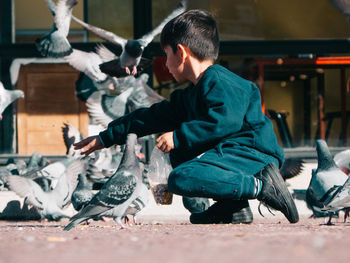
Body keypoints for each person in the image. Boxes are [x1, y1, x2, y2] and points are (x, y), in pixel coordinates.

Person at [74, 9, 299, 224]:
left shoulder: (220, 81)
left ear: (181, 53)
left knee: (181, 177)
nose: (165, 63)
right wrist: (105, 138)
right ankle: (233, 208)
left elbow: (224, 121)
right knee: (185, 161)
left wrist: (178, 137)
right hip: (234, 156)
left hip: (254, 156)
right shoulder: (191, 94)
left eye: (166, 55)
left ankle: (263, 187)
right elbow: (150, 117)